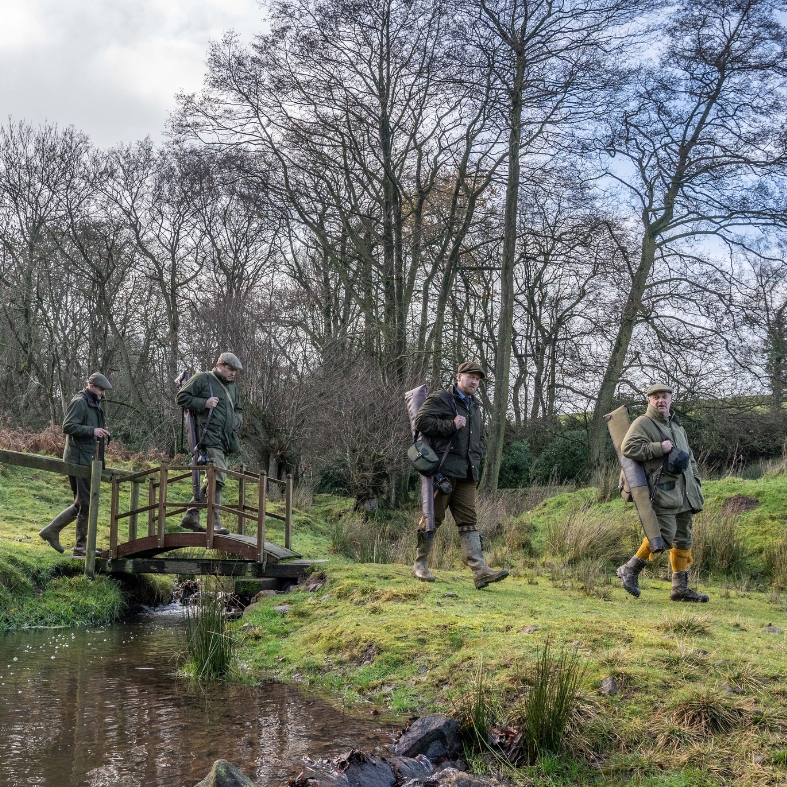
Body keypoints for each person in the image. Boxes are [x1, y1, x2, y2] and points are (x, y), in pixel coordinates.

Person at [412, 361, 509, 589]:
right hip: (442, 472)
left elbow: (478, 440)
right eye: (470, 376)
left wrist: (477, 460)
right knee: (432, 518)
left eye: (477, 378)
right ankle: (420, 564)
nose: (474, 381)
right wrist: (450, 425)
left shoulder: (475, 406)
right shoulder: (441, 399)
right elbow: (421, 422)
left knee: (469, 522)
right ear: (459, 377)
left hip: (467, 473)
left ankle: (480, 571)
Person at [616, 383, 708, 602]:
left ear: (670, 399)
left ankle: (679, 589)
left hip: (685, 492)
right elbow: (628, 448)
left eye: (664, 396)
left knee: (684, 539)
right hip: (663, 491)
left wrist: (695, 479)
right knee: (663, 537)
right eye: (655, 397)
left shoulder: (677, 426)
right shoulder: (643, 423)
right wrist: (659, 448)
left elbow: (690, 457)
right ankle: (629, 569)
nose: (660, 400)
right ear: (649, 400)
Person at [38, 373, 112, 556]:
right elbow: (68, 426)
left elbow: (88, 428)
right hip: (78, 460)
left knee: (82, 503)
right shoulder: (80, 402)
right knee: (84, 503)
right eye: (101, 390)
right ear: (91, 386)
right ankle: (79, 547)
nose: (103, 394)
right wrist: (92, 430)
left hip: (88, 460)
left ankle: (54, 533)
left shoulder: (93, 404)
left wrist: (101, 432)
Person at [177, 352, 244, 535]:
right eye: (230, 369)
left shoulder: (233, 388)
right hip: (208, 438)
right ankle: (214, 522)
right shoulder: (202, 379)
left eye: (235, 371)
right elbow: (181, 398)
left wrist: (237, 421)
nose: (233, 374)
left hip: (226, 440)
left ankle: (191, 514)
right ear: (219, 365)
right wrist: (204, 403)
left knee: (217, 479)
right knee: (218, 478)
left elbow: (238, 410)